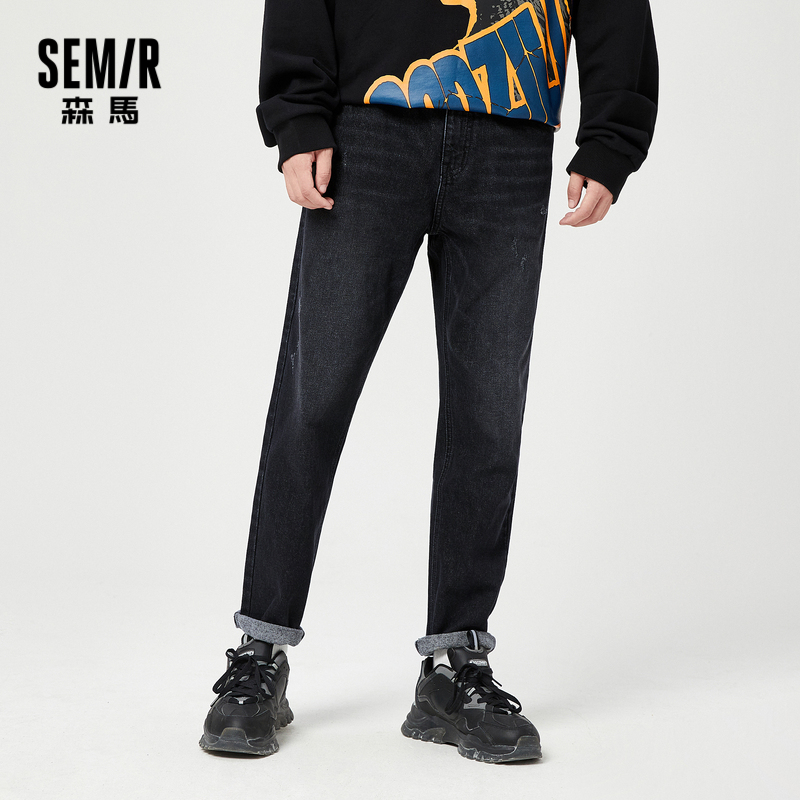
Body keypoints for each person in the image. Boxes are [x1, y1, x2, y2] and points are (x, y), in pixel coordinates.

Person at [199, 0, 658, 763]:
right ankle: (259, 653)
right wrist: (299, 114)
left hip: (511, 131)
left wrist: (613, 135)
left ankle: (454, 665)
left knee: (489, 410)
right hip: (369, 121)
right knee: (315, 394)